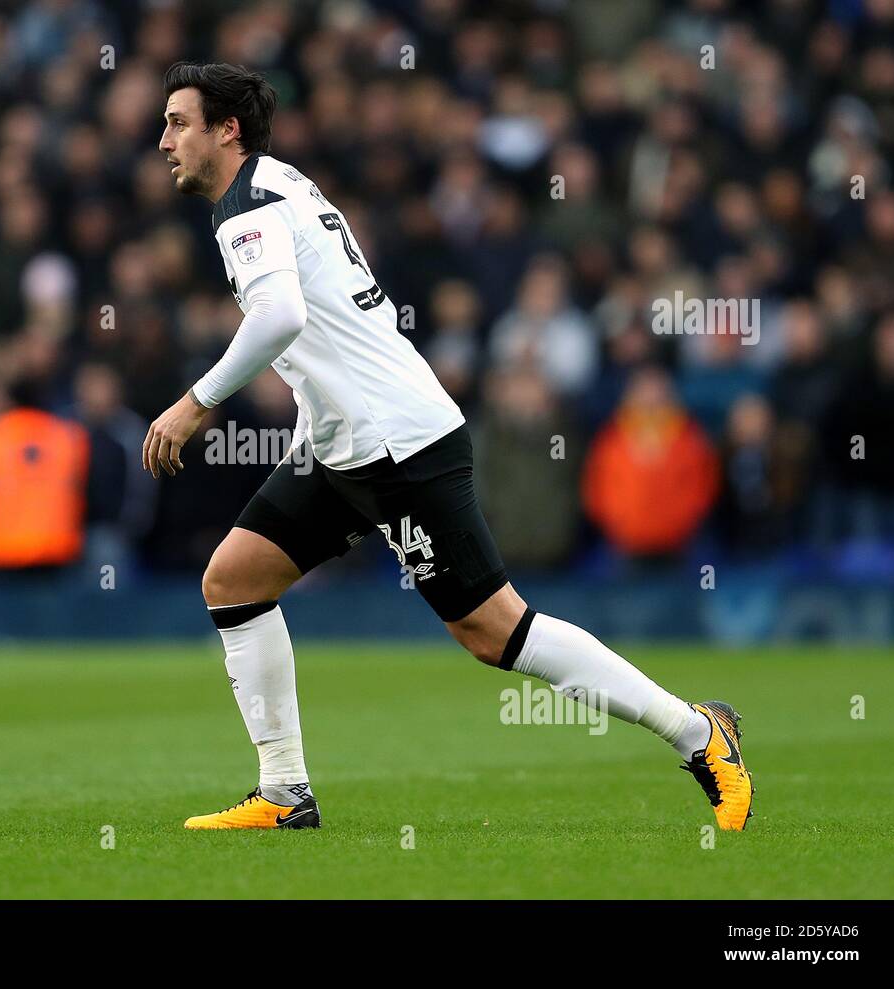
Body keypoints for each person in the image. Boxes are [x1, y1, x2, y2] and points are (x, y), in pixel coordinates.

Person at [143, 62, 753, 831]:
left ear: (226, 130)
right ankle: (285, 793)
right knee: (232, 580)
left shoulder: (247, 209)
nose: (163, 140)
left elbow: (280, 319)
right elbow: (330, 320)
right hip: (343, 443)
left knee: (494, 630)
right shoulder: (279, 183)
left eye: (178, 123)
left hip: (398, 443)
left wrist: (194, 405)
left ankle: (700, 732)